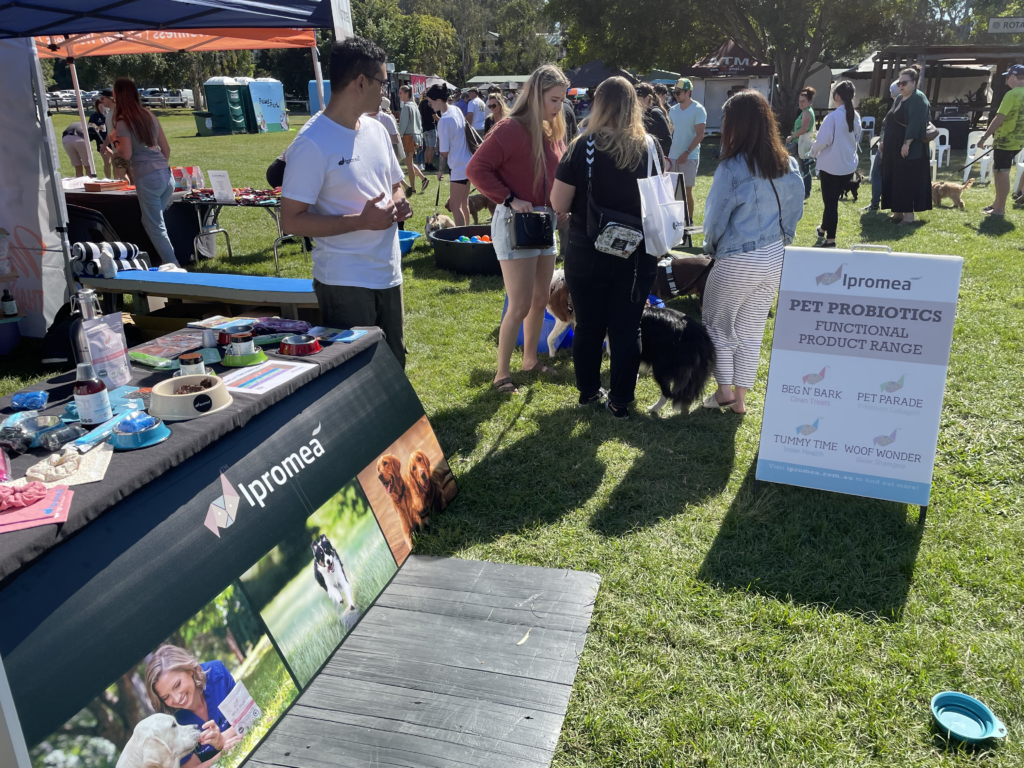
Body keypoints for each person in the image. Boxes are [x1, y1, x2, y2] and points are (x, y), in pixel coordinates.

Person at [280, 36, 412, 368]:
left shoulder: (377, 129)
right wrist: (360, 221)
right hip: (344, 283)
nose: (385, 90)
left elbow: (396, 184)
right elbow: (292, 220)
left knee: (393, 368)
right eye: (382, 82)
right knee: (355, 378)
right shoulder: (311, 143)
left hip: (388, 274)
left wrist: (399, 203)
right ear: (361, 82)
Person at [549, 77, 662, 418]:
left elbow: (558, 202)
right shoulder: (651, 147)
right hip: (637, 252)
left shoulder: (581, 146)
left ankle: (587, 393)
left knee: (587, 325)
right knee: (627, 327)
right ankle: (620, 401)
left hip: (587, 249)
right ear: (634, 106)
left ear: (598, 104)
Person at [467, 64, 569, 395]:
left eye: (562, 100)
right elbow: (476, 169)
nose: (559, 107)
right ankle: (501, 373)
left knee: (541, 298)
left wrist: (561, 206)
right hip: (515, 225)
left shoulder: (553, 132)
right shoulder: (509, 129)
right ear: (537, 95)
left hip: (545, 223)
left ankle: (529, 360)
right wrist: (510, 199)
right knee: (520, 303)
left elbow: (555, 177)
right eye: (554, 100)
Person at [700, 90, 804, 414]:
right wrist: (783, 237)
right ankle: (740, 400)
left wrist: (711, 248)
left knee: (717, 324)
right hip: (775, 257)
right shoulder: (789, 162)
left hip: (737, 257)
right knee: (751, 328)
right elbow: (796, 207)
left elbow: (715, 220)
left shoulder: (731, 167)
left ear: (736, 125)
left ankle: (724, 391)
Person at [112, 78, 179, 266]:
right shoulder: (149, 115)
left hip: (148, 177)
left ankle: (174, 266)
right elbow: (166, 149)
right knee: (156, 224)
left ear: (119, 95)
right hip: (166, 175)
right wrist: (159, 168)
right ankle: (166, 260)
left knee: (155, 227)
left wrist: (114, 140)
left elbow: (126, 153)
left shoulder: (123, 121)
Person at [145, 645, 243, 768]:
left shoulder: (217, 673)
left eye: (177, 685)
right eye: (166, 697)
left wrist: (222, 739)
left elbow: (248, 715)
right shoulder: (171, 724)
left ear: (189, 670)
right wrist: (222, 753)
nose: (176, 699)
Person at [809, 81, 860, 247]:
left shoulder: (832, 117)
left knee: (830, 203)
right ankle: (823, 228)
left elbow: (823, 140)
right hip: (847, 165)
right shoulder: (855, 115)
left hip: (831, 166)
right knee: (831, 201)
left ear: (837, 96)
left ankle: (830, 239)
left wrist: (813, 151)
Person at [881, 66, 932, 226]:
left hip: (910, 149)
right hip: (893, 148)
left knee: (906, 180)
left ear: (915, 82)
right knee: (895, 179)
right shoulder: (899, 98)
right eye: (899, 83)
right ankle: (897, 212)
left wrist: (907, 143)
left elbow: (916, 123)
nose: (900, 86)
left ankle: (908, 216)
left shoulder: (918, 99)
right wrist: (883, 140)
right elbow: (889, 119)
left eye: (904, 83)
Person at [978, 64, 1024, 217]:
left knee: (1001, 172)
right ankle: (996, 203)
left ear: (1012, 77)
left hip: (1005, 139)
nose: (1006, 80)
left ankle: (999, 209)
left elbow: (999, 117)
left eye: (1007, 76)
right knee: (999, 171)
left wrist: (984, 137)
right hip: (1019, 140)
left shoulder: (1012, 94)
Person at [428, 83, 473, 226]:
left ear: (439, 100)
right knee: (463, 203)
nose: (430, 105)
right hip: (468, 163)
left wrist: (440, 170)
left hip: (458, 167)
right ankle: (467, 233)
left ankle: (461, 238)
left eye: (430, 102)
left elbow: (444, 152)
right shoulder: (455, 109)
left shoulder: (444, 121)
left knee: (454, 205)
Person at [668, 78, 707, 225]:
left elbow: (700, 134)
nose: (676, 95)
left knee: (686, 190)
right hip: (672, 156)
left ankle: (689, 221)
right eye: (674, 93)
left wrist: (687, 152)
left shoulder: (698, 109)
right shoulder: (672, 110)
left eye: (678, 93)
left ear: (688, 92)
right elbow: (670, 132)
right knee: (672, 191)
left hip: (689, 157)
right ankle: (675, 220)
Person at [785, 86, 816, 200]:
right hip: (802, 143)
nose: (801, 103)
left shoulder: (807, 113)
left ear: (809, 101)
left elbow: (803, 129)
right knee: (802, 167)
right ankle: (804, 190)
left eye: (803, 101)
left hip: (802, 144)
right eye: (800, 101)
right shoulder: (805, 112)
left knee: (802, 168)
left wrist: (791, 136)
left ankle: (805, 191)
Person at [398, 85, 429, 194]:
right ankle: (423, 179)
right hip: (415, 136)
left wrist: (398, 136)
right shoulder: (414, 105)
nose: (399, 95)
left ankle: (413, 188)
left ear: (406, 93)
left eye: (400, 93)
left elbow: (402, 125)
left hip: (408, 137)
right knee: (408, 162)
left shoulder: (407, 107)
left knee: (409, 163)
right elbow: (419, 124)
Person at [636, 82, 672, 157]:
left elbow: (667, 140)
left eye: (639, 99)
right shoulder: (639, 114)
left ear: (647, 98)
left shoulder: (655, 114)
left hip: (654, 160)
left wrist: (656, 156)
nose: (636, 103)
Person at [88, 100, 111, 177]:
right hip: (101, 141)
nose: (102, 109)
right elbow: (90, 128)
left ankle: (117, 178)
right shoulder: (94, 116)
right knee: (107, 162)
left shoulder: (111, 115)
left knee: (116, 162)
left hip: (113, 140)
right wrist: (97, 128)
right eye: (100, 107)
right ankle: (108, 179)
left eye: (103, 107)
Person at [419, 93, 438, 172]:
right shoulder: (429, 104)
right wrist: (442, 120)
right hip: (430, 127)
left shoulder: (421, 104)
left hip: (424, 128)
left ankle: (426, 164)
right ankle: (430, 164)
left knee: (426, 148)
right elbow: (435, 116)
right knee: (431, 148)